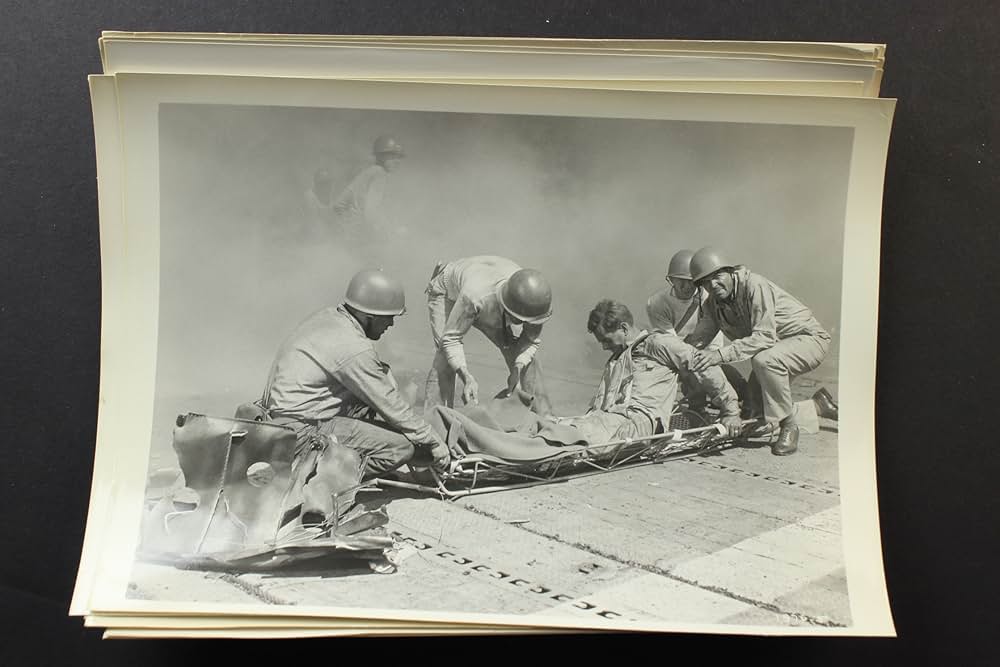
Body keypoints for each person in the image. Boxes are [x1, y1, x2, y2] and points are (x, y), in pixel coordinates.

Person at [261, 269, 450, 521]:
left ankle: (329, 464)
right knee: (400, 448)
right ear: (368, 315)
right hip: (301, 432)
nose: (391, 324)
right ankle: (323, 477)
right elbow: (390, 406)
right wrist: (433, 441)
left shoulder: (328, 319)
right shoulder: (353, 347)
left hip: (278, 422)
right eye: (387, 318)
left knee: (374, 402)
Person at [686, 246, 839, 457]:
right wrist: (673, 353)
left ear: (730, 271)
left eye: (718, 276)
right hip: (775, 350)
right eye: (705, 281)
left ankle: (789, 425)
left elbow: (764, 337)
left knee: (764, 360)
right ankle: (818, 406)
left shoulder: (754, 285)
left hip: (808, 341)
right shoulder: (713, 304)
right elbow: (697, 340)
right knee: (754, 418)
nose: (713, 284)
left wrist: (719, 355)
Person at [556, 299, 742, 443]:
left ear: (624, 328)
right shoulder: (617, 359)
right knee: (556, 428)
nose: (604, 347)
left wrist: (731, 411)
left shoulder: (658, 343)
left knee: (571, 439)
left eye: (606, 339)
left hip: (638, 423)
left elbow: (704, 364)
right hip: (608, 420)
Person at [424, 255, 554, 416]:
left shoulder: (532, 298)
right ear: (507, 306)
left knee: (524, 356)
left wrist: (517, 368)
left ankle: (542, 415)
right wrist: (467, 377)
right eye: (518, 319)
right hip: (448, 293)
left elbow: (530, 341)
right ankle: (436, 419)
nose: (521, 324)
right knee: (444, 356)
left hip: (489, 296)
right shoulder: (475, 295)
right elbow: (451, 340)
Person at [646, 248, 750, 410]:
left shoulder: (711, 295)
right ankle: (697, 413)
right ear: (671, 280)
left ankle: (747, 409)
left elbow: (715, 341)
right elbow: (671, 345)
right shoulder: (657, 303)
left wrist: (712, 363)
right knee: (693, 387)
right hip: (677, 357)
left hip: (708, 355)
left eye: (690, 281)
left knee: (740, 386)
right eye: (679, 280)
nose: (686, 286)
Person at [332, 135, 405, 242]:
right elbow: (371, 212)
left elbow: (338, 204)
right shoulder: (380, 174)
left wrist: (348, 227)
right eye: (393, 156)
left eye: (398, 157)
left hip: (352, 237)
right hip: (362, 238)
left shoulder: (369, 172)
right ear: (381, 157)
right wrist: (391, 233)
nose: (397, 161)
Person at [301, 167, 335, 234]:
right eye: (323, 183)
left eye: (328, 183)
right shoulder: (309, 197)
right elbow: (314, 224)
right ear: (317, 184)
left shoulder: (328, 196)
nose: (327, 186)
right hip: (315, 238)